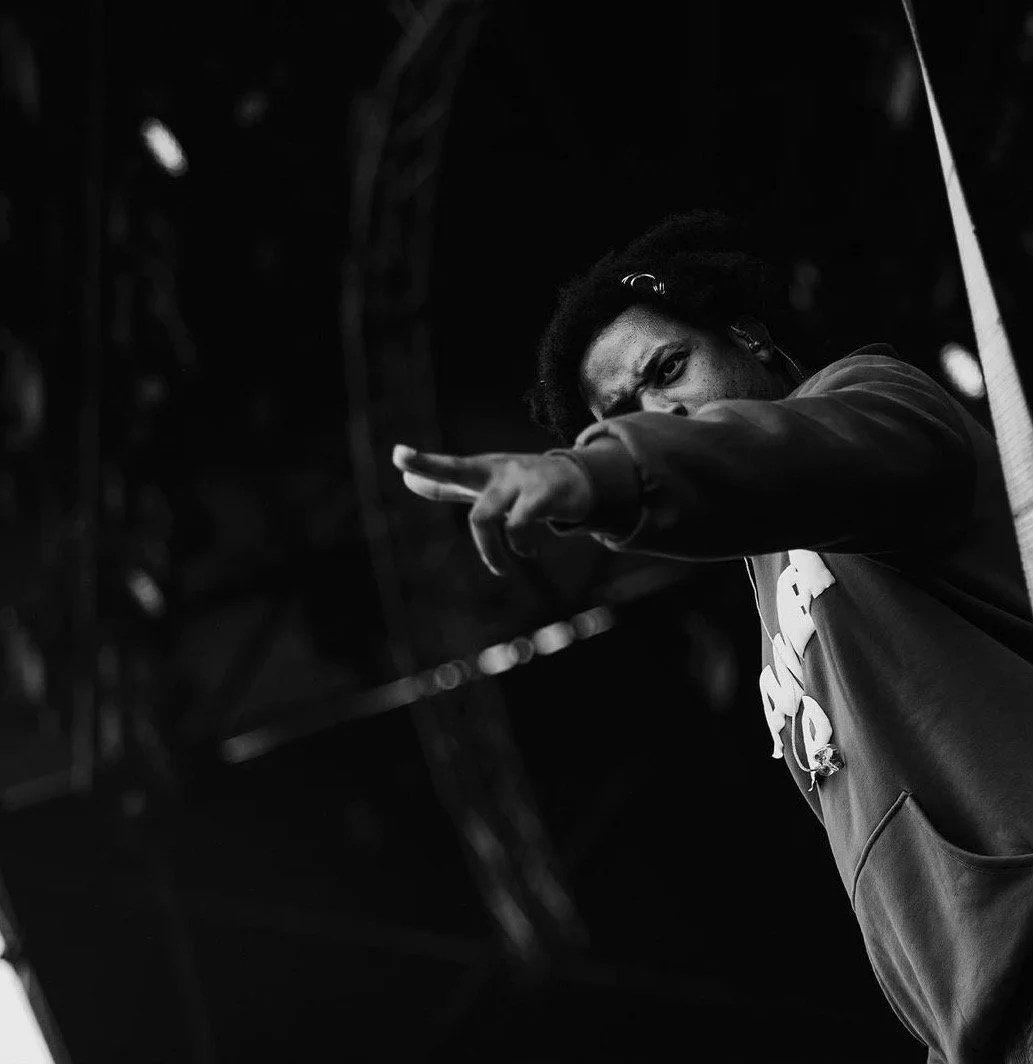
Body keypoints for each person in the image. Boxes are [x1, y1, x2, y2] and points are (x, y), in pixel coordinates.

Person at [391, 210, 1033, 1064]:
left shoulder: (872, 396)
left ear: (748, 337)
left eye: (667, 368)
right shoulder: (769, 585)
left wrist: (601, 469)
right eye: (623, 411)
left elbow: (785, 451)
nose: (659, 411)